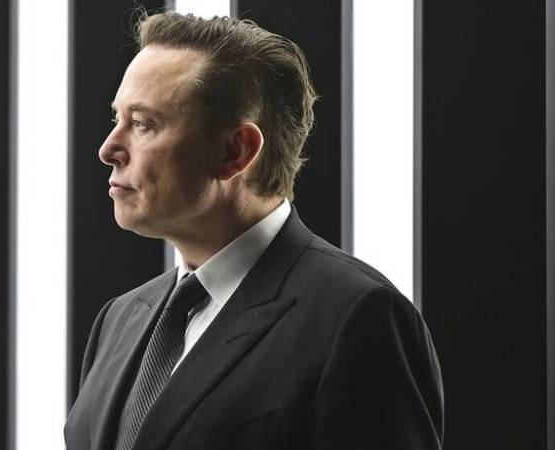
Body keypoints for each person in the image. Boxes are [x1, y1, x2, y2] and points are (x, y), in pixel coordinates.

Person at [64, 11, 444, 450]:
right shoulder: (119, 319)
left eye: (144, 124)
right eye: (116, 120)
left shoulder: (358, 317)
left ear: (237, 151)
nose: (108, 149)